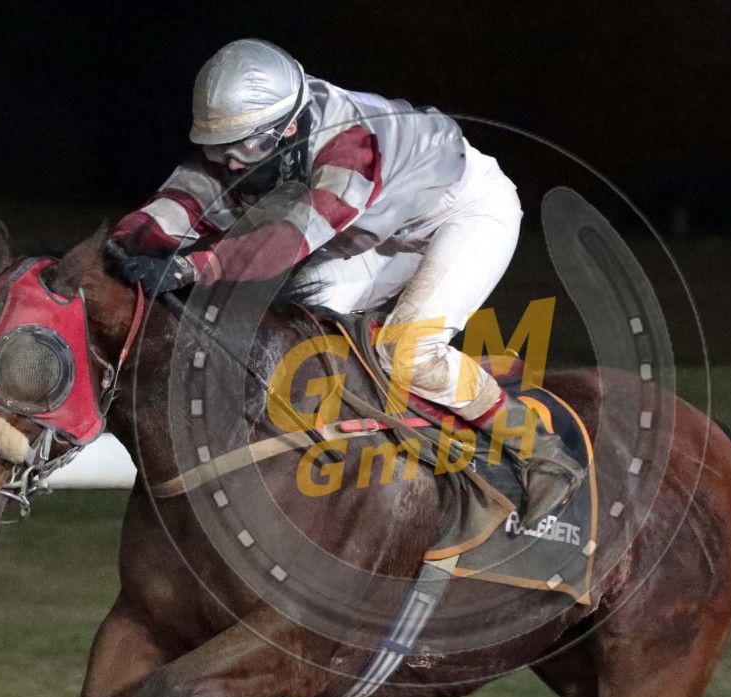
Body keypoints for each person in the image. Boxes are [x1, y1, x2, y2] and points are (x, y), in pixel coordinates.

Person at [108, 38, 582, 528]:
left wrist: (188, 268)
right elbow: (177, 205)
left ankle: (538, 449)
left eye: (246, 146)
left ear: (290, 126)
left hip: (465, 210)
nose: (230, 162)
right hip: (376, 229)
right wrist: (123, 246)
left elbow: (288, 241)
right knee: (296, 338)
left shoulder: (351, 142)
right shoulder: (249, 140)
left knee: (407, 351)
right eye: (217, 145)